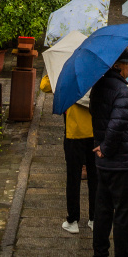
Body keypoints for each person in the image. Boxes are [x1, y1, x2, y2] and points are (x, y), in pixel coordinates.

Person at [90, 47, 128, 257]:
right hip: (121, 162)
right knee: (124, 215)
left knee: (102, 211)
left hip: (104, 164)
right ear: (119, 66)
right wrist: (106, 148)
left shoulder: (99, 85)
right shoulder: (121, 90)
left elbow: (98, 114)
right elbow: (117, 124)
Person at [39, 72, 96, 235]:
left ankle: (73, 220)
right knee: (95, 178)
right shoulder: (94, 69)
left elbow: (45, 86)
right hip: (94, 131)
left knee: (73, 178)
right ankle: (94, 218)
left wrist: (53, 69)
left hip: (74, 132)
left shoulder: (67, 70)